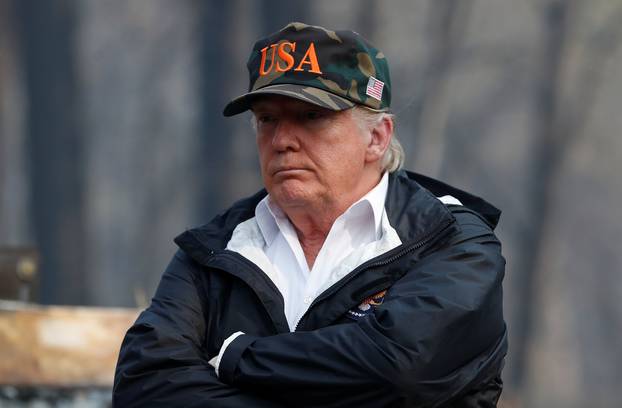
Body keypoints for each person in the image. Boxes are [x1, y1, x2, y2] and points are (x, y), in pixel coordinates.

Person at [113, 22, 507, 408]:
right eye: (268, 119)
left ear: (377, 136)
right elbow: (144, 384)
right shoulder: (212, 252)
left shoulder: (452, 242)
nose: (282, 140)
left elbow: (401, 368)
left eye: (311, 116)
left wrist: (235, 358)